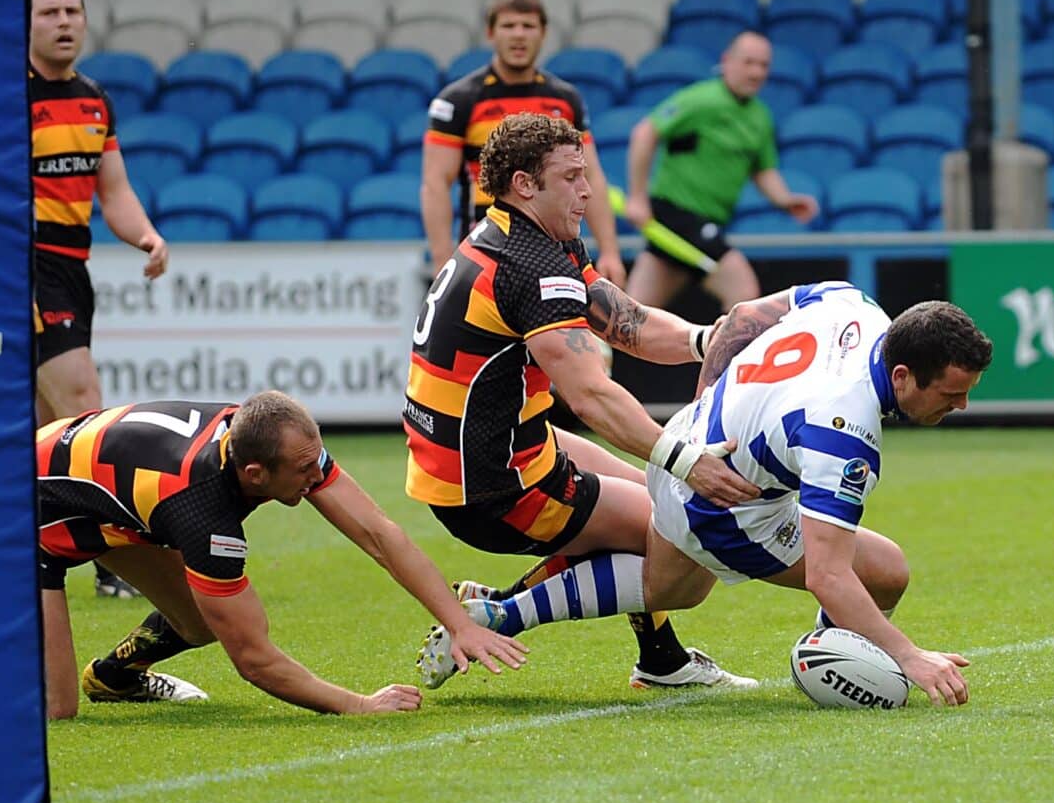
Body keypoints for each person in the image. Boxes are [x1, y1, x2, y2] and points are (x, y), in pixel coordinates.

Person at [424, 282, 992, 707]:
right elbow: (829, 575)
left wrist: (702, 414)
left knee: (666, 586)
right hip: (728, 506)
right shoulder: (844, 431)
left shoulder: (852, 304)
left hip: (684, 446)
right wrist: (910, 657)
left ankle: (500, 613)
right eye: (951, 393)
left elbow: (741, 318)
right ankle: (825, 659)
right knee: (885, 571)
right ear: (900, 376)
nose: (961, 406)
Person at [404, 112, 763, 692]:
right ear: (525, 184)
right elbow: (592, 396)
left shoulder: (522, 236)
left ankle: (661, 660)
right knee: (683, 538)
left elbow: (628, 322)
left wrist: (710, 338)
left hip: (479, 454)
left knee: (657, 504)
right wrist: (688, 460)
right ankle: (500, 612)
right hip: (493, 486)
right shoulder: (533, 266)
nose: (589, 190)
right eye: (572, 177)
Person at [38, 391, 526, 719]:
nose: (316, 478)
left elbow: (378, 533)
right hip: (25, 509)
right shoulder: (202, 511)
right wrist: (359, 704)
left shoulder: (270, 437)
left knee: (198, 622)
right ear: (255, 474)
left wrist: (459, 624)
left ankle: (113, 677)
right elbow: (254, 659)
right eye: (303, 471)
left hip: (106, 502)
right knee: (57, 709)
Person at [29, 0, 169, 599]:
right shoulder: (4, 97)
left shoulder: (92, 100)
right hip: (23, 266)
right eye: (49, 12)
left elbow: (113, 191)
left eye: (72, 11)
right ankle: (114, 556)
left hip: (71, 268)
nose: (64, 22)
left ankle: (32, 549)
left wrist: (145, 236)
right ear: (24, 26)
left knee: (37, 428)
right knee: (83, 402)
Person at [421, 0, 626, 287]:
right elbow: (435, 184)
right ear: (491, 33)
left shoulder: (565, 99)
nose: (519, 35)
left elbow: (591, 175)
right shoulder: (459, 101)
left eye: (528, 26)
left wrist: (609, 250)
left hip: (555, 251)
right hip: (487, 251)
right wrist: (443, 262)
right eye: (508, 26)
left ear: (543, 33)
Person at [622, 32, 818, 313]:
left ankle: (593, 354)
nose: (756, 72)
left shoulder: (760, 116)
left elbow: (763, 169)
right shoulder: (701, 99)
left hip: (708, 222)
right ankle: (733, 359)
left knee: (634, 315)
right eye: (749, 62)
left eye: (763, 65)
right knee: (743, 290)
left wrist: (785, 200)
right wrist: (638, 197)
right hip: (677, 215)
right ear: (727, 61)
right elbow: (645, 132)